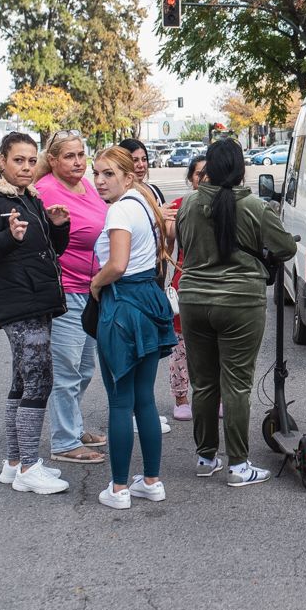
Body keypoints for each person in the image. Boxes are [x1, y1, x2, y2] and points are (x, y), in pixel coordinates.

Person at [176, 139, 297, 487]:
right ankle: (238, 465)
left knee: (203, 383)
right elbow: (286, 248)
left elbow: (184, 246)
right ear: (241, 169)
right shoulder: (256, 207)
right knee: (237, 386)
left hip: (195, 300)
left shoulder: (189, 204)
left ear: (209, 169)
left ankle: (205, 457)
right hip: (240, 303)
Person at [0, 132, 73, 493]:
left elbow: (50, 250)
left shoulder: (29, 197)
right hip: (18, 302)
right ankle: (28, 466)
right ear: (2, 161)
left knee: (24, 381)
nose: (25, 167)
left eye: (30, 161)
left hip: (36, 300)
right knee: (40, 379)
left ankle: (14, 463)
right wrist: (9, 236)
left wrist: (58, 226)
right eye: (18, 161)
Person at [89, 146, 177, 510]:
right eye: (96, 173)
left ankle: (120, 487)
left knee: (120, 401)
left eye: (108, 173)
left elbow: (118, 264)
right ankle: (152, 481)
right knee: (143, 399)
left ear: (127, 176)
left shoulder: (122, 208)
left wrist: (96, 284)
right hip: (148, 299)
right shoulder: (144, 202)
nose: (99, 180)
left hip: (123, 303)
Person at [32, 131, 108, 466]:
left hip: (91, 291)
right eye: (69, 156)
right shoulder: (47, 190)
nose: (78, 162)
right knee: (66, 370)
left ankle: (73, 427)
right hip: (66, 293)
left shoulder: (86, 186)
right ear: (52, 160)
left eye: (81, 154)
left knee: (85, 367)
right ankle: (64, 441)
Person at [165, 154, 209, 423]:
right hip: (184, 279)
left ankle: (211, 396)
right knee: (181, 345)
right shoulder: (180, 205)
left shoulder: (223, 203)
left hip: (214, 284)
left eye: (208, 173)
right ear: (191, 178)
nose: (203, 178)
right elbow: (169, 236)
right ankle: (181, 397)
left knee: (211, 346)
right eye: (198, 174)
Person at [118, 139, 166, 204]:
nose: (141, 165)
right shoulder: (116, 196)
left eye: (144, 159)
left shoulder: (154, 190)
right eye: (135, 160)